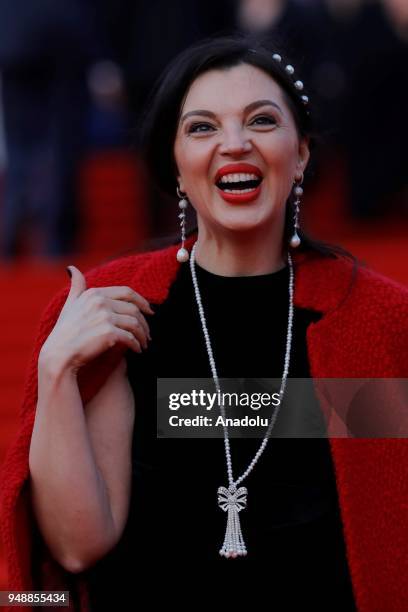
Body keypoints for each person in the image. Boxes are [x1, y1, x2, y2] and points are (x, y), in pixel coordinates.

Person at [0, 35, 407, 612]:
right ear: (176, 164)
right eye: (201, 127)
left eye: (262, 121)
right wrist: (57, 369)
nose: (234, 144)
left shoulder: (376, 319)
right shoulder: (121, 306)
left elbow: (388, 525)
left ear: (302, 154)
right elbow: (77, 546)